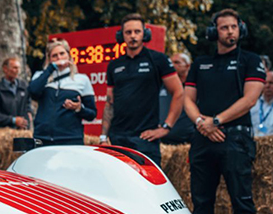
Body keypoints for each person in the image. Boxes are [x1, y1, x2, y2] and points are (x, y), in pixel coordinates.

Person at [184, 8, 265, 214]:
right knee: (201, 200)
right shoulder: (200, 63)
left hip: (235, 138)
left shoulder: (251, 61)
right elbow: (187, 99)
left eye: (233, 27)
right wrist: (202, 124)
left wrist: (215, 121)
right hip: (203, 137)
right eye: (224, 27)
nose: (230, 31)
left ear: (240, 29)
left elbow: (250, 99)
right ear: (213, 32)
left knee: (241, 199)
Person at [101, 14, 183, 166]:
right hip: (117, 138)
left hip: (145, 140)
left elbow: (179, 92)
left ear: (144, 34)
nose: (133, 36)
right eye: (128, 32)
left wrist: (166, 127)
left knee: (145, 189)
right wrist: (103, 137)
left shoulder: (158, 60)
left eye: (137, 32)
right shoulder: (114, 65)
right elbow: (109, 103)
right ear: (121, 36)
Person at [28, 39, 96, 146]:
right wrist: (50, 68)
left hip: (70, 139)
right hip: (42, 138)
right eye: (54, 56)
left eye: (62, 54)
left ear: (68, 55)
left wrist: (78, 108)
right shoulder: (40, 75)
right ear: (49, 59)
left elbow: (92, 114)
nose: (59, 58)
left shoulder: (82, 79)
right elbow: (33, 91)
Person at [160, 52, 196, 144]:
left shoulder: (193, 88)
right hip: (163, 141)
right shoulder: (162, 86)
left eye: (177, 62)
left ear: (187, 66)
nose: (172, 65)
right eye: (171, 62)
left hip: (186, 141)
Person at [0, 57, 31, 130]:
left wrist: (28, 116)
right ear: (5, 69)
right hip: (5, 132)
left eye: (18, 68)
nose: (17, 71)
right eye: (15, 68)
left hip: (24, 131)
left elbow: (28, 105)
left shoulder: (24, 86)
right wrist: (13, 120)